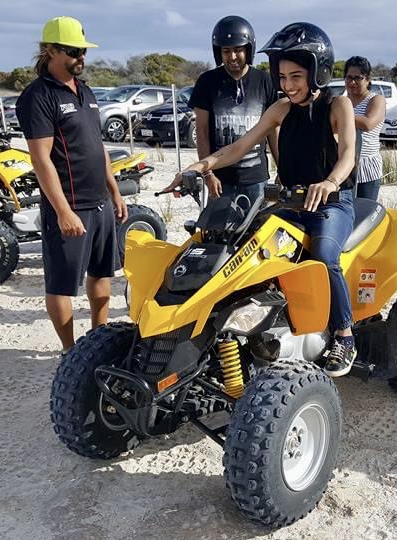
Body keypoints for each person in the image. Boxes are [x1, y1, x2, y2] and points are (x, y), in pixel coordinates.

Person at [166, 22, 359, 377]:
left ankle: (345, 335)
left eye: (296, 77)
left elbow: (347, 152)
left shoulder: (339, 104)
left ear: (318, 72)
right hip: (290, 203)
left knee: (325, 255)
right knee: (246, 250)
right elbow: (239, 147)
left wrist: (330, 182)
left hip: (333, 203)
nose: (287, 85)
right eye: (283, 77)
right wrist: (200, 165)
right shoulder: (281, 109)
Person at [16, 16, 128, 353]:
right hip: (69, 206)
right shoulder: (38, 96)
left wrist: (114, 190)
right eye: (73, 51)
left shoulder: (86, 92)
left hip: (100, 204)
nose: (81, 57)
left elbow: (98, 146)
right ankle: (69, 350)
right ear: (49, 50)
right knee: (63, 286)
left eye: (83, 50)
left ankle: (98, 339)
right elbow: (41, 159)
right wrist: (63, 211)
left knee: (102, 275)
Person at [188, 15, 279, 206]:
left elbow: (273, 130)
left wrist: (283, 170)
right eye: (226, 51)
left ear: (248, 49)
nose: (232, 57)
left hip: (257, 179)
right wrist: (208, 174)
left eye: (238, 50)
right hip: (220, 181)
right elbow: (202, 132)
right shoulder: (207, 82)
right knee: (218, 234)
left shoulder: (265, 81)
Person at [344, 56, 386, 200]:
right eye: (349, 77)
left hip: (367, 168)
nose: (352, 82)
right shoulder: (343, 101)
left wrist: (340, 115)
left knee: (364, 214)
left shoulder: (376, 100)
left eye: (358, 78)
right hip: (344, 167)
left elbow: (368, 124)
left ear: (367, 79)